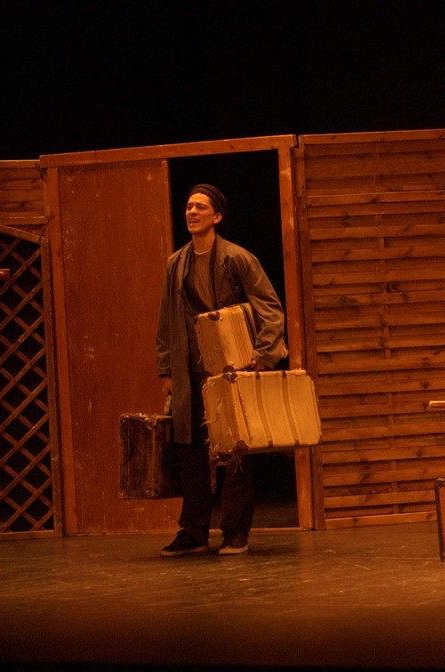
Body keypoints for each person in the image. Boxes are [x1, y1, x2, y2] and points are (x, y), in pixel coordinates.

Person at [155, 183, 286, 557]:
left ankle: (235, 530)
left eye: (200, 207)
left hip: (231, 366)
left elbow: (270, 307)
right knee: (190, 450)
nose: (192, 212)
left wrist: (264, 353)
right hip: (190, 368)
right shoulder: (176, 263)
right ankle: (194, 530)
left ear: (217, 216)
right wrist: (167, 368)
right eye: (188, 206)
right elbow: (167, 318)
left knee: (234, 449)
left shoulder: (237, 258)